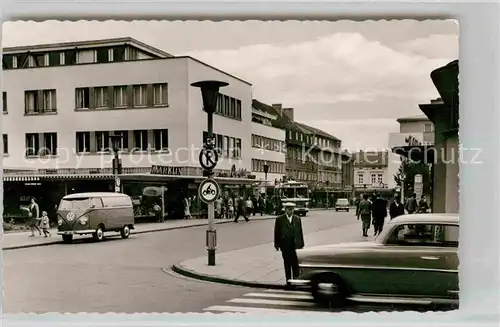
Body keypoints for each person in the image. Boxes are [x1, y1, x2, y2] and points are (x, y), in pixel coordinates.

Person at [274, 202, 305, 289]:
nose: (290, 211)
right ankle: (288, 282)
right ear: (285, 209)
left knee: (295, 264)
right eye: (288, 209)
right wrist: (277, 244)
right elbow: (276, 232)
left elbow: (300, 232)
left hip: (295, 245)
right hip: (285, 245)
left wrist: (301, 244)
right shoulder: (280, 219)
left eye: (292, 209)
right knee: (287, 264)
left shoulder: (297, 219)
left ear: (294, 210)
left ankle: (296, 280)